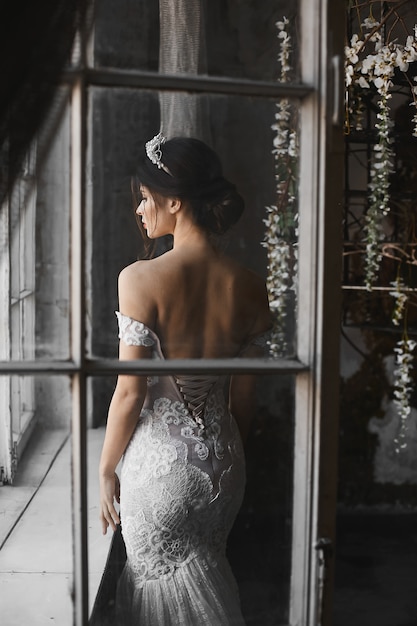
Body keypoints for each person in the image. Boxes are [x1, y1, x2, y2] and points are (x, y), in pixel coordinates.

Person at [98, 133, 271, 625]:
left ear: (174, 201)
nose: (139, 209)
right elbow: (245, 401)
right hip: (224, 470)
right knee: (210, 578)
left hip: (160, 475)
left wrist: (107, 469)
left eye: (146, 198)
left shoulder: (138, 278)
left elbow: (129, 394)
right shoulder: (252, 287)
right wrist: (223, 449)